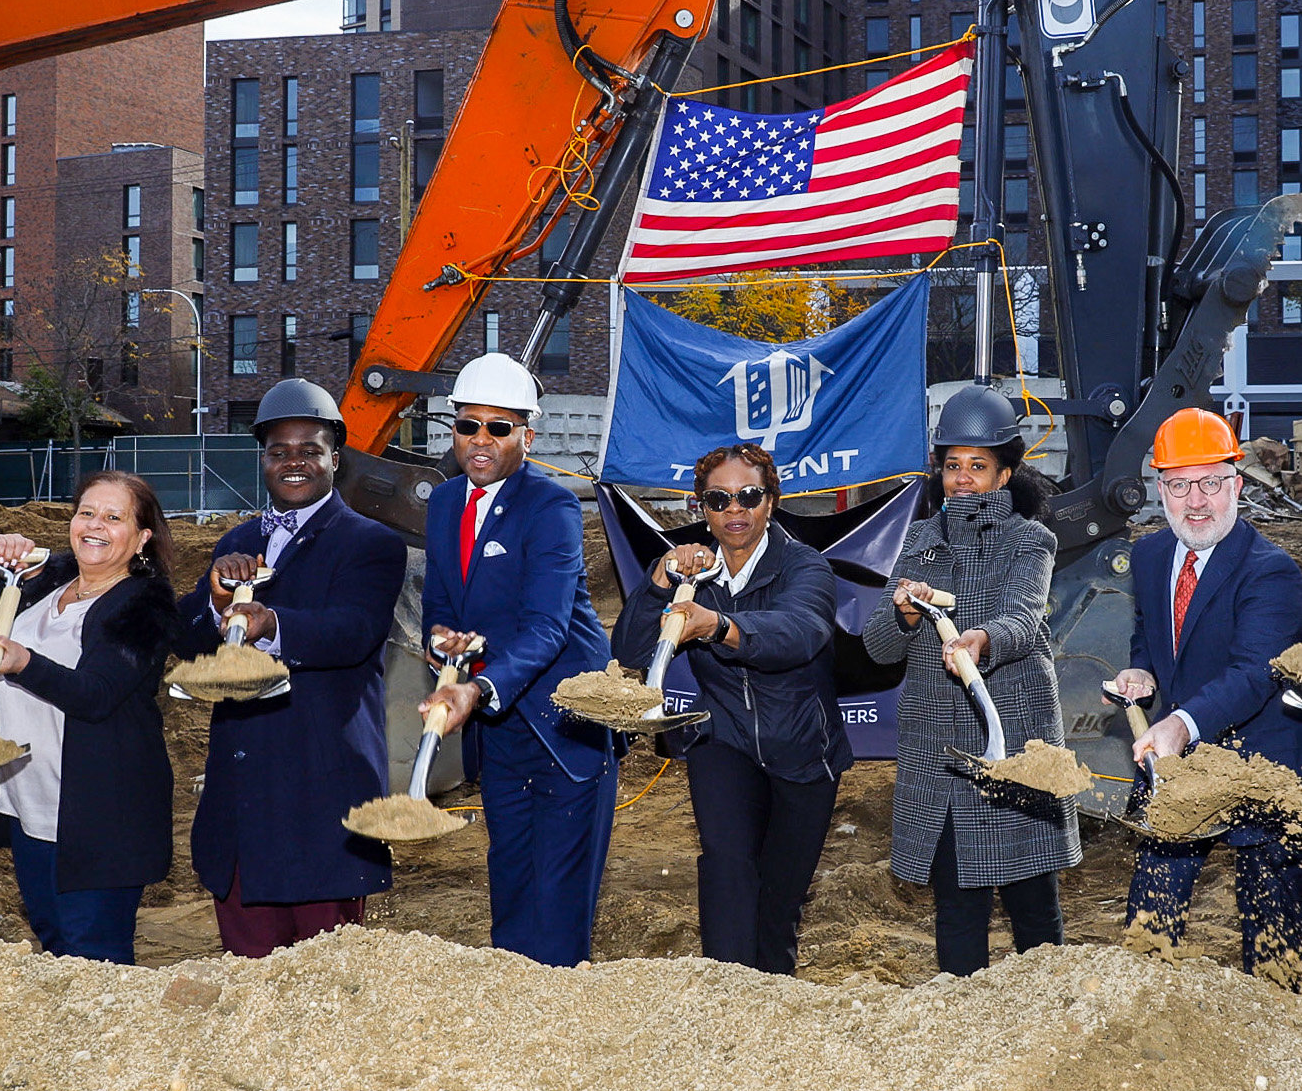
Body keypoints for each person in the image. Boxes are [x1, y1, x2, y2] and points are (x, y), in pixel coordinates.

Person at [173, 379, 407, 958]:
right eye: (279, 451)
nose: (294, 461)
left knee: (321, 985)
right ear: (264, 460)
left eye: (310, 449)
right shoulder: (238, 539)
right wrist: (216, 599)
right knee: (249, 977)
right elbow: (184, 639)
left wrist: (270, 623)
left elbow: (353, 632)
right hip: (244, 799)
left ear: (336, 459)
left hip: (320, 794)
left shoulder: (370, 543)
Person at [862, 384, 1079, 977]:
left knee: (1033, 904)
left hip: (1015, 745)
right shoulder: (921, 542)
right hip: (941, 754)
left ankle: (1047, 1019)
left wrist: (980, 640)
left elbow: (1023, 615)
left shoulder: (1030, 539)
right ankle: (964, 1028)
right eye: (952, 465)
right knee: (957, 905)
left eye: (978, 466)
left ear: (1005, 474)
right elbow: (878, 646)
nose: (963, 479)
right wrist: (907, 611)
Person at [610, 444, 851, 974]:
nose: (734, 510)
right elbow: (627, 653)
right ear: (701, 507)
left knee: (778, 905)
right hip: (723, 741)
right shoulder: (691, 573)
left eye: (749, 496)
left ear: (772, 501)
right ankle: (725, 999)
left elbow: (800, 632)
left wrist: (720, 626)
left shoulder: (804, 565)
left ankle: (773, 1007)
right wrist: (657, 584)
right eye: (719, 499)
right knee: (727, 876)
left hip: (804, 751)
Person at [420, 352, 617, 967]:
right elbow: (438, 605)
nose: (480, 440)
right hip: (501, 728)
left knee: (558, 899)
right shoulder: (445, 502)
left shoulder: (551, 506)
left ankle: (559, 1025)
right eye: (467, 424)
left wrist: (477, 690)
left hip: (563, 724)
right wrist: (442, 646)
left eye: (498, 427)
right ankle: (511, 1016)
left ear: (527, 435)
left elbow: (547, 627)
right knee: (510, 879)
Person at [1111, 407, 1302, 976]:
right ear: (1160, 490)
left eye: (1211, 483)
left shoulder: (1273, 572)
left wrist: (1178, 723)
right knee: (1151, 920)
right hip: (1179, 771)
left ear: (1237, 485)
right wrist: (1141, 673)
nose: (1196, 501)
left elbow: (1253, 673)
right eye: (1179, 485)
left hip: (1260, 765)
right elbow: (1151, 633)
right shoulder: (1148, 557)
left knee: (1275, 942)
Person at [0, 471, 178, 965]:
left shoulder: (144, 604)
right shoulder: (52, 579)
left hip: (99, 816)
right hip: (28, 803)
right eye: (86, 512)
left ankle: (110, 1046)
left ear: (142, 537)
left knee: (93, 956)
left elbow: (97, 694)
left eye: (114, 517)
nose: (95, 526)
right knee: (55, 944)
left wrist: (25, 662)